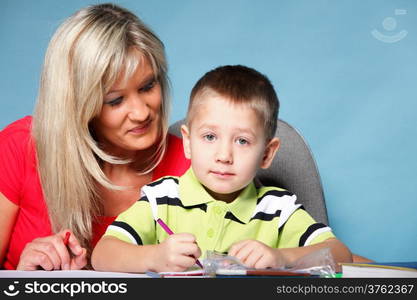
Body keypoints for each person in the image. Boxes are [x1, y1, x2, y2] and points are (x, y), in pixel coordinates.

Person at [91, 65, 353, 273]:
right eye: (209, 137)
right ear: (188, 142)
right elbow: (103, 255)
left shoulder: (278, 208)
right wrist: (155, 256)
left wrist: (281, 256)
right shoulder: (162, 198)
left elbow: (339, 254)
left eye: (242, 141)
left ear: (266, 154)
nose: (224, 156)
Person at [0, 3, 191, 271]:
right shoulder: (19, 148)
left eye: (148, 86)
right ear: (77, 107)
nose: (140, 112)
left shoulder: (195, 164)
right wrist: (23, 282)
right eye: (115, 100)